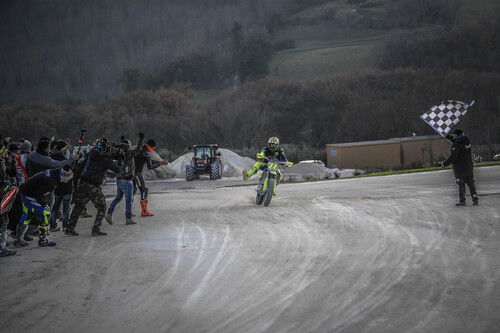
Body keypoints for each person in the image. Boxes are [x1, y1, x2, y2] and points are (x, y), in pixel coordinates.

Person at [65, 140, 119, 236]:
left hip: (82, 182)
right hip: (93, 185)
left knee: (79, 206)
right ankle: (96, 229)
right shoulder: (105, 159)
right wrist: (116, 156)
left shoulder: (92, 154)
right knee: (102, 207)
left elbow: (88, 166)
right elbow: (117, 168)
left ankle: (69, 228)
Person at [14, 167, 73, 247]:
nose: (68, 180)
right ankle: (43, 240)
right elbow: (38, 195)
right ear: (64, 178)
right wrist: (44, 204)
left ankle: (18, 239)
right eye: (68, 179)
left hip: (25, 192)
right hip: (30, 196)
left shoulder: (54, 173)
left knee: (26, 215)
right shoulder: (51, 182)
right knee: (45, 213)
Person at [105, 134, 144, 225]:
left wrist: (121, 141)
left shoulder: (119, 153)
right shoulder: (129, 153)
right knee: (128, 200)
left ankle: (109, 213)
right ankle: (128, 218)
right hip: (126, 180)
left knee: (118, 197)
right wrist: (141, 139)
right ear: (128, 146)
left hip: (119, 179)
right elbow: (138, 149)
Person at [442, 129, 479, 206]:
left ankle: (462, 201)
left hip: (460, 168)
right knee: (471, 183)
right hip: (468, 166)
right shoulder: (467, 141)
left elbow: (453, 157)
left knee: (461, 184)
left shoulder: (457, 144)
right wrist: (453, 140)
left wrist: (444, 164)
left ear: (455, 135)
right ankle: (475, 199)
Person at [134, 138, 168, 216]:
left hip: (131, 172)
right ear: (152, 147)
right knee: (144, 190)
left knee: (133, 190)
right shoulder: (147, 152)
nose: (153, 150)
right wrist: (160, 163)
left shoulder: (141, 149)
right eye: (153, 148)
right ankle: (144, 211)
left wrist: (160, 162)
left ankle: (128, 211)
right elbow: (150, 166)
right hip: (137, 174)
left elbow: (149, 160)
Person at [49, 140, 73, 231]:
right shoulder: (63, 158)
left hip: (56, 185)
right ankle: (65, 224)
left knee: (55, 206)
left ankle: (52, 224)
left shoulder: (51, 157)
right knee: (66, 207)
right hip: (66, 186)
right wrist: (69, 159)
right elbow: (68, 169)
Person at [0, 140, 18, 256]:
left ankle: (2, 245)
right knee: (2, 222)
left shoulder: (4, 162)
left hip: (4, 196)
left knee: (4, 221)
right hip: (2, 196)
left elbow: (9, 175)